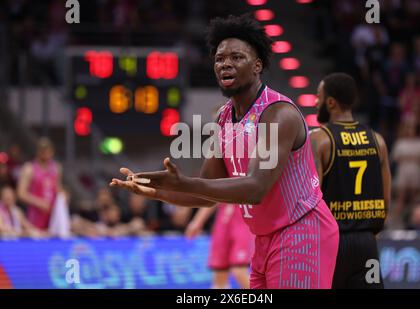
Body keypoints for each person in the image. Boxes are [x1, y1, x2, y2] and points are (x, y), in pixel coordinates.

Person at [111, 14, 339, 289]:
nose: (225, 64)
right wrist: (156, 192)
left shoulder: (278, 114)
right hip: (265, 238)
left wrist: (183, 183)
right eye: (219, 59)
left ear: (257, 66)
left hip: (301, 230)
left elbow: (256, 188)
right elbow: (208, 193)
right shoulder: (224, 117)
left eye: (236, 57)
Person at [310, 73, 391, 289]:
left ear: (330, 102)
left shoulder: (320, 139)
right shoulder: (377, 140)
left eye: (318, 96)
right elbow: (386, 199)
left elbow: (311, 199)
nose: (316, 102)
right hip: (367, 243)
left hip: (332, 241)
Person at [185, 204, 254, 289]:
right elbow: (212, 197)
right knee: (219, 276)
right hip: (222, 221)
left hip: (243, 220)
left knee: (239, 270)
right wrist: (197, 221)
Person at [17, 137, 62, 231]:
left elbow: (58, 188)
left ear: (52, 152)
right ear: (38, 152)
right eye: (43, 151)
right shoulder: (29, 168)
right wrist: (39, 203)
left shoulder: (56, 168)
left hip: (52, 213)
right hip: (35, 212)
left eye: (48, 151)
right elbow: (21, 193)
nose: (46, 154)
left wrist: (63, 196)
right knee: (37, 236)